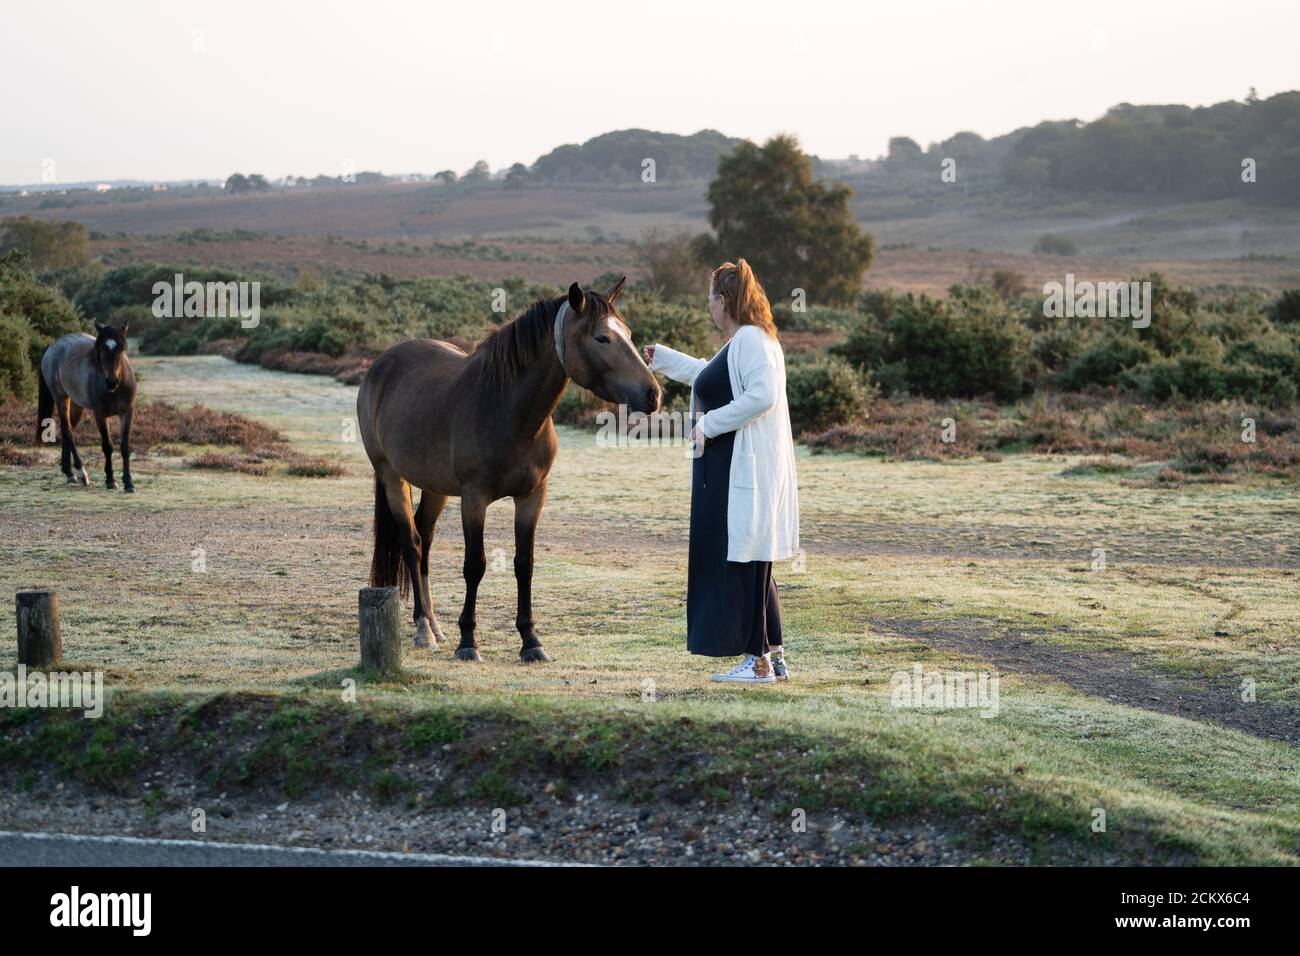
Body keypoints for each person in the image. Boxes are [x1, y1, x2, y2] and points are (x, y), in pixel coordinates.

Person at [644, 259, 800, 684]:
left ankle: (758, 662)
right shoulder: (748, 339)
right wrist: (664, 360)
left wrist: (706, 426)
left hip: (742, 470)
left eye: (710, 298)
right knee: (754, 562)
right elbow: (712, 378)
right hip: (738, 468)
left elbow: (762, 395)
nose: (708, 306)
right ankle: (774, 656)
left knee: (747, 563)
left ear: (723, 300)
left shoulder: (750, 339)